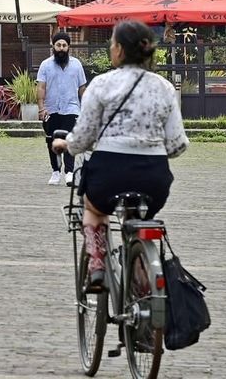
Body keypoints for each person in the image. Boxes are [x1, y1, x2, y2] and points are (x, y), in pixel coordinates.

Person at [52, 20, 188, 291]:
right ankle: (142, 275)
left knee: (93, 210)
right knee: (139, 217)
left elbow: (83, 136)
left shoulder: (101, 85)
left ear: (119, 51)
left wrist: (65, 144)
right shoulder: (164, 88)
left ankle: (98, 265)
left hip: (110, 171)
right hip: (154, 176)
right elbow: (177, 144)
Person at [37, 31, 87, 185]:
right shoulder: (45, 65)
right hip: (51, 109)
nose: (61, 48)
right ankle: (56, 171)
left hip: (71, 109)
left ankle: (70, 172)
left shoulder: (76, 64)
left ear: (68, 47)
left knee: (69, 140)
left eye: (64, 45)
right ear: (53, 46)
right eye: (58, 45)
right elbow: (41, 87)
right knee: (53, 140)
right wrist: (41, 108)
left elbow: (82, 88)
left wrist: (86, 107)